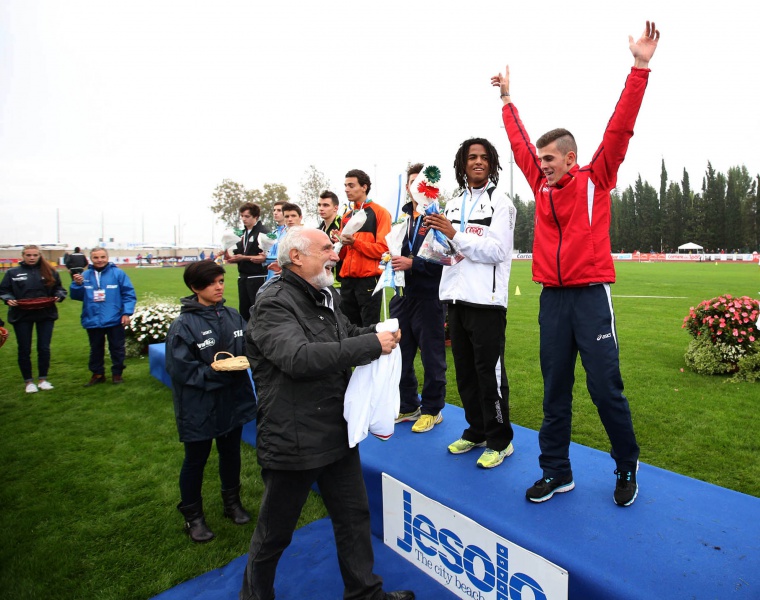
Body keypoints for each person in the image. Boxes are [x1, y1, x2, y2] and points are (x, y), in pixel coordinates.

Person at [492, 20, 660, 506]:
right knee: (555, 391)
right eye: (540, 159)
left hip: (590, 298)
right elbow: (519, 144)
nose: (541, 164)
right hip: (552, 300)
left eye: (549, 159)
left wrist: (640, 66)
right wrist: (507, 100)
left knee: (605, 389)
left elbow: (620, 126)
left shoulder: (596, 177)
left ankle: (626, 465)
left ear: (571, 158)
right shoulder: (540, 185)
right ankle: (556, 471)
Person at [239, 227, 412, 600]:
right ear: (296, 257)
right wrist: (371, 344)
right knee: (274, 534)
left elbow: (345, 335)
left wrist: (378, 332)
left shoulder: (327, 295)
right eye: (326, 248)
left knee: (353, 518)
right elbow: (298, 358)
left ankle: (365, 594)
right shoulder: (272, 303)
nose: (335, 254)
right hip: (294, 438)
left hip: (336, 429)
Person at [425, 138, 516, 469]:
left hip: (486, 301)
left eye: (484, 157)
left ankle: (500, 440)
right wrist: (435, 239)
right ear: (462, 164)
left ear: (491, 163)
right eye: (472, 157)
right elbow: (444, 253)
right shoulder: (451, 204)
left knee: (489, 374)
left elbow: (498, 252)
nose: (478, 162)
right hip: (455, 298)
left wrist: (454, 234)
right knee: (464, 373)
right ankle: (477, 430)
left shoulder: (501, 203)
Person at [165, 260, 257, 543]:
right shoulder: (182, 325)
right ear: (195, 287)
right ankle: (193, 517)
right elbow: (181, 371)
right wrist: (219, 374)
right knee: (196, 460)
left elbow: (251, 347)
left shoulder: (233, 315)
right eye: (212, 283)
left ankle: (232, 504)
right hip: (199, 406)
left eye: (221, 281)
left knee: (231, 453)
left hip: (233, 400)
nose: (219, 287)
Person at [390, 164, 447, 433]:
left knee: (432, 358)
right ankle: (408, 404)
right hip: (402, 297)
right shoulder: (402, 219)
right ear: (408, 187)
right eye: (413, 182)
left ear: (431, 187)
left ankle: (433, 409)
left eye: (422, 182)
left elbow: (446, 258)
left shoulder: (437, 217)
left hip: (428, 297)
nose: (417, 187)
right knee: (400, 355)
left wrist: (414, 264)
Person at [0, 245, 67, 393]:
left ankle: (43, 379)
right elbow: (3, 290)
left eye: (35, 255)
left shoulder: (49, 271)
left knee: (44, 347)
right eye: (28, 255)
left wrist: (59, 295)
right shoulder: (12, 273)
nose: (32, 258)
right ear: (23, 256)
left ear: (39, 255)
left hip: (45, 314)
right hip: (21, 314)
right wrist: (8, 298)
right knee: (24, 348)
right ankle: (28, 382)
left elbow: (59, 289)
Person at [70, 247, 137, 386]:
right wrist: (77, 285)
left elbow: (129, 294)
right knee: (95, 349)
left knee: (117, 348)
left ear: (107, 257)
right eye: (96, 257)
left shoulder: (118, 273)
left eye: (102, 257)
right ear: (90, 259)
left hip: (114, 318)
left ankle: (117, 374)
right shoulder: (85, 275)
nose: (99, 260)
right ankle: (98, 374)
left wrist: (126, 313)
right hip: (93, 318)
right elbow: (77, 296)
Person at [338, 169, 392, 327]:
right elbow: (342, 255)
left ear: (364, 187)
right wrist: (338, 244)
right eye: (345, 185)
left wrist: (354, 243)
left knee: (369, 328)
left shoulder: (380, 213)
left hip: (368, 281)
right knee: (348, 328)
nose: (346, 189)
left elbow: (383, 250)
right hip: (347, 281)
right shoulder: (346, 216)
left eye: (351, 185)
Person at [227, 202, 269, 322]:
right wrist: (228, 255)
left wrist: (243, 258)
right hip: (243, 277)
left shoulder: (263, 233)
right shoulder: (242, 233)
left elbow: (264, 256)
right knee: (244, 311)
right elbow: (237, 253)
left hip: (257, 277)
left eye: (247, 216)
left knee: (258, 311)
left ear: (256, 217)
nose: (243, 219)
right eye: (242, 216)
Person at [318, 190, 345, 282]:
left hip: (340, 280)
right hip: (323, 279)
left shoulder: (343, 225)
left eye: (325, 205)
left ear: (335, 208)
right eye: (319, 205)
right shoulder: (319, 229)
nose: (321, 208)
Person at [265, 200, 287, 281]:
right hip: (271, 275)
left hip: (283, 275)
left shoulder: (290, 232)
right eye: (274, 210)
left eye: (279, 210)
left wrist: (265, 258)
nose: (275, 213)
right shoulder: (273, 233)